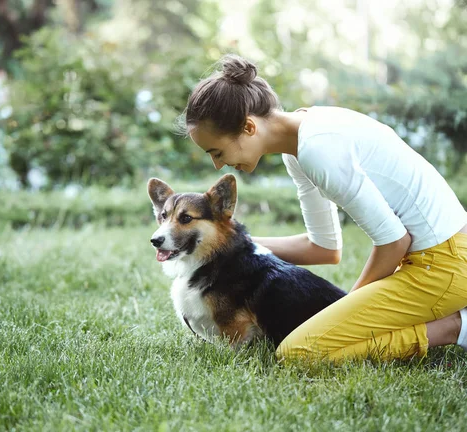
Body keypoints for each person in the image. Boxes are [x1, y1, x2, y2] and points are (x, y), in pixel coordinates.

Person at [180, 53, 467, 362]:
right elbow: (323, 248)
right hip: (434, 259)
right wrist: (235, 244)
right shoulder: (300, 144)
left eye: (217, 151)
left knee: (299, 352)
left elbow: (394, 241)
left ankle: (456, 327)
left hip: (444, 264)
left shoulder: (319, 149)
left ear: (248, 127)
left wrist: (347, 310)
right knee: (318, 338)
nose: (217, 163)